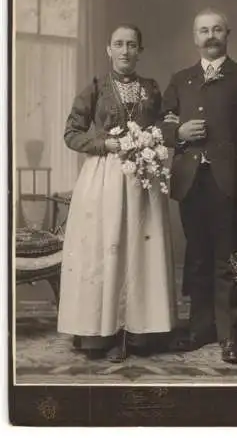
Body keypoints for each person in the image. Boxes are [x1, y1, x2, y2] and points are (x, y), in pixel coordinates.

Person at [161, 8, 237, 364]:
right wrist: (177, 133)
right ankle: (199, 329)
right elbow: (159, 126)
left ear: (228, 33)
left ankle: (228, 335)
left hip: (231, 185)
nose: (210, 36)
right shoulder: (181, 79)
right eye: (203, 31)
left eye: (216, 30)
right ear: (194, 38)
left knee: (229, 260)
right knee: (197, 258)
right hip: (191, 183)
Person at [57, 24, 177, 362]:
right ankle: (101, 330)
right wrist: (104, 143)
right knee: (105, 247)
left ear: (140, 50)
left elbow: (167, 124)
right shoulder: (96, 87)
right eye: (119, 45)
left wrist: (155, 138)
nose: (125, 51)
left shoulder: (152, 89)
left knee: (140, 249)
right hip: (104, 176)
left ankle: (141, 329)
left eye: (132, 45)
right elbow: (71, 133)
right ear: (109, 50)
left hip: (142, 178)